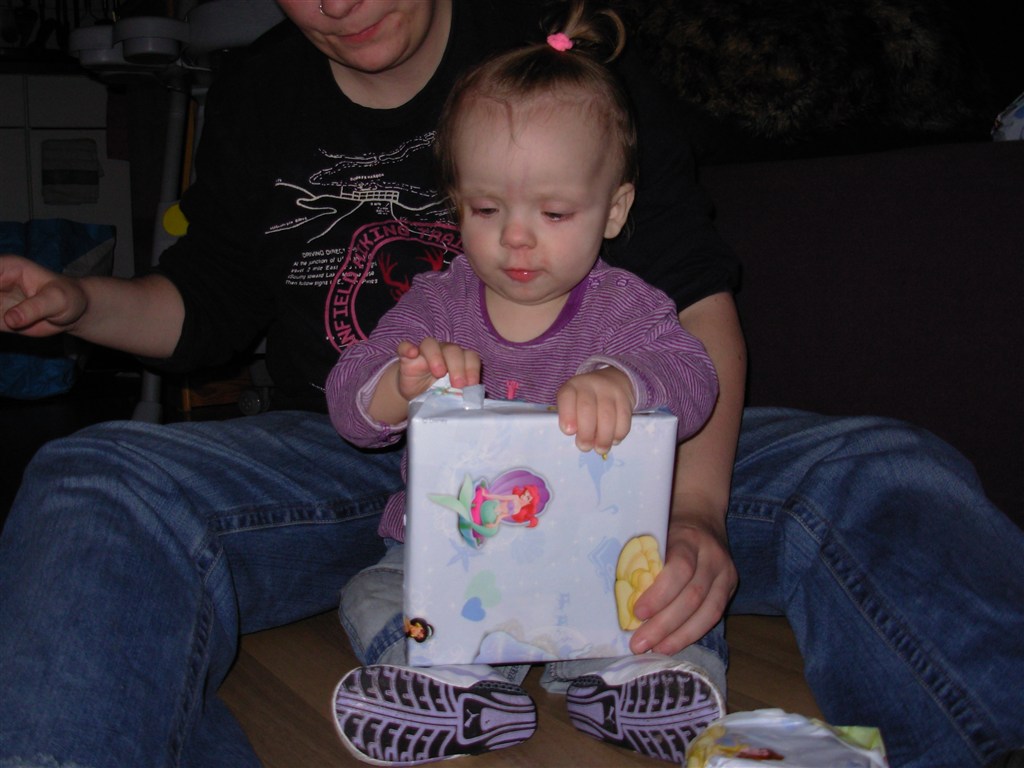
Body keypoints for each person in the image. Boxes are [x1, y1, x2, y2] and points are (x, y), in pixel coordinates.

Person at [0, 1, 1020, 767]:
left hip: (618, 464)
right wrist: (79, 303)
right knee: (91, 478)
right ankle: (441, 684)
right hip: (378, 471)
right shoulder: (279, 114)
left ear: (607, 209)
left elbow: (690, 332)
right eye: (485, 210)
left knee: (884, 467)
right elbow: (215, 306)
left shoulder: (568, 49)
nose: (336, 4)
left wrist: (694, 507)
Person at [326, 9, 723, 763]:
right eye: (486, 209)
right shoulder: (436, 305)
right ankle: (455, 690)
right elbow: (347, 402)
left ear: (614, 210)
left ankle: (638, 685)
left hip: (593, 555)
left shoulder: (626, 308)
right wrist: (398, 386)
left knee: (668, 595)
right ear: (456, 205)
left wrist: (627, 379)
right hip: (444, 559)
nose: (515, 236)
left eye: (554, 212)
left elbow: (696, 378)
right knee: (371, 593)